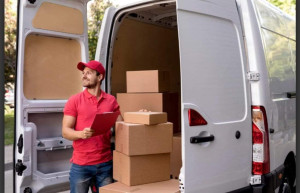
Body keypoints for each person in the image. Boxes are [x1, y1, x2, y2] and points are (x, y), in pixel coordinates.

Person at [62, 60, 122, 193]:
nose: (84, 76)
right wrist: (81, 134)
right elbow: (65, 131)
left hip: (105, 163)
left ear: (99, 77)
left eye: (89, 73)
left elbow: (122, 126)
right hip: (81, 165)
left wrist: (139, 117)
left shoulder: (111, 100)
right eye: (83, 73)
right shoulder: (74, 100)